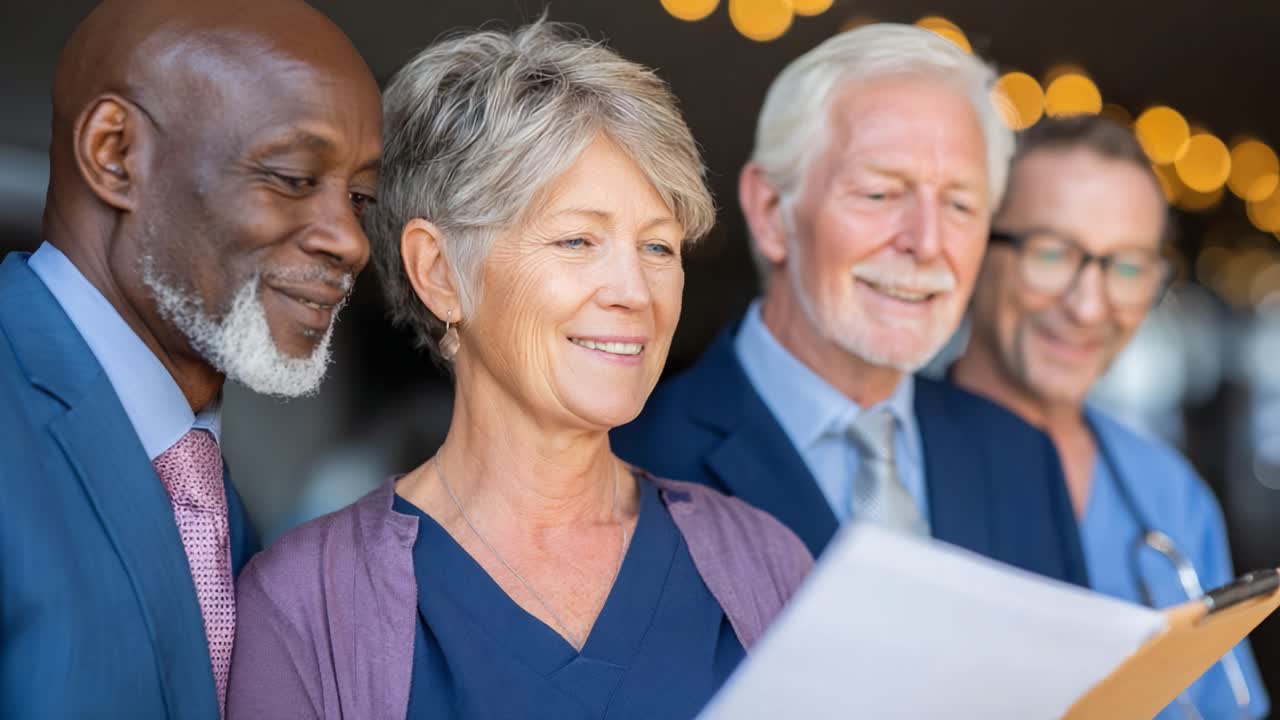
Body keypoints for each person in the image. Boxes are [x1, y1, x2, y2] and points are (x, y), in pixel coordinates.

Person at [227, 21, 812, 720]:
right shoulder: (306, 606)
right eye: (577, 239)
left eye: (658, 247)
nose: (634, 290)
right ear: (439, 273)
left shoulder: (766, 563)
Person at [0, 1, 383, 717]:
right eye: (294, 177)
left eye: (359, 197)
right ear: (117, 154)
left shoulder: (213, 497)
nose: (351, 241)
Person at [613, 23, 1086, 585]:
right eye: (880, 194)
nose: (927, 242)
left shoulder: (1021, 459)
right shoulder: (630, 460)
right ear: (770, 211)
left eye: (960, 204)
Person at [951, 115, 1269, 719]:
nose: (1087, 305)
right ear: (978, 247)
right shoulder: (886, 458)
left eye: (1127, 266)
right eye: (1052, 252)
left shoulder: (1171, 496)